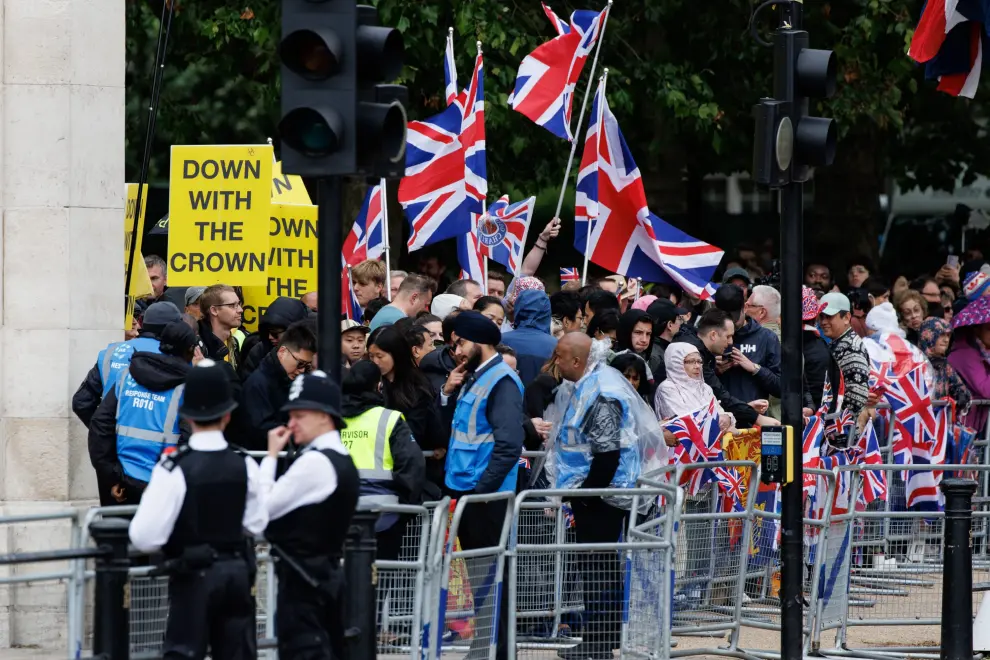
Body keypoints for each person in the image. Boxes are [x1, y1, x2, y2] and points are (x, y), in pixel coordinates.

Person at [128, 360, 267, 660]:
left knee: (184, 651)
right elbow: (256, 525)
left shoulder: (173, 468)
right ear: (228, 415)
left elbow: (144, 536)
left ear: (187, 416)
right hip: (236, 574)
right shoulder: (245, 464)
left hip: (192, 575)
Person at [551, 333, 667, 660]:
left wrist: (588, 495)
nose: (555, 363)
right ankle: (601, 639)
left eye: (560, 356)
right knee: (597, 568)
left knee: (598, 570)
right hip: (594, 491)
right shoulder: (589, 385)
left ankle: (598, 644)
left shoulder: (601, 392)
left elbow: (607, 454)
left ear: (577, 361)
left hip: (603, 494)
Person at [443, 311, 524, 660]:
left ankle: (496, 651)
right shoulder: (475, 378)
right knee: (482, 578)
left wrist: (481, 493)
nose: (456, 351)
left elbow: (508, 445)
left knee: (491, 577)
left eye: (460, 343)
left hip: (485, 496)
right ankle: (485, 648)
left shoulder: (500, 381)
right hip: (469, 490)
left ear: (479, 342)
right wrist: (446, 392)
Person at [262, 371, 360, 660]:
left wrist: (270, 458)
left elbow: (262, 510)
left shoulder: (315, 463)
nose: (291, 424)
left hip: (303, 586)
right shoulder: (340, 458)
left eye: (299, 415)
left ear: (323, 416)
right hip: (324, 579)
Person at [88, 322, 202, 505]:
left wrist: (111, 476)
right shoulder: (188, 386)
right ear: (190, 349)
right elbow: (189, 439)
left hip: (123, 482)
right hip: (163, 485)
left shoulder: (127, 375)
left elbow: (100, 426)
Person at [341, 361, 424, 552]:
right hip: (383, 518)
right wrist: (405, 510)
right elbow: (412, 466)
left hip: (339, 517)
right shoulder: (389, 419)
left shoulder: (331, 420)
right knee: (385, 578)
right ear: (378, 386)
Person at [73, 301, 184, 428]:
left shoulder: (111, 353)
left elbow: (81, 402)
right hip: (161, 442)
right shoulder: (175, 355)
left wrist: (102, 433)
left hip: (115, 442)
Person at [370, 274, 435, 331]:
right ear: (414, 298)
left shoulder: (385, 312)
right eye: (425, 305)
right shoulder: (399, 322)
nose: (425, 309)